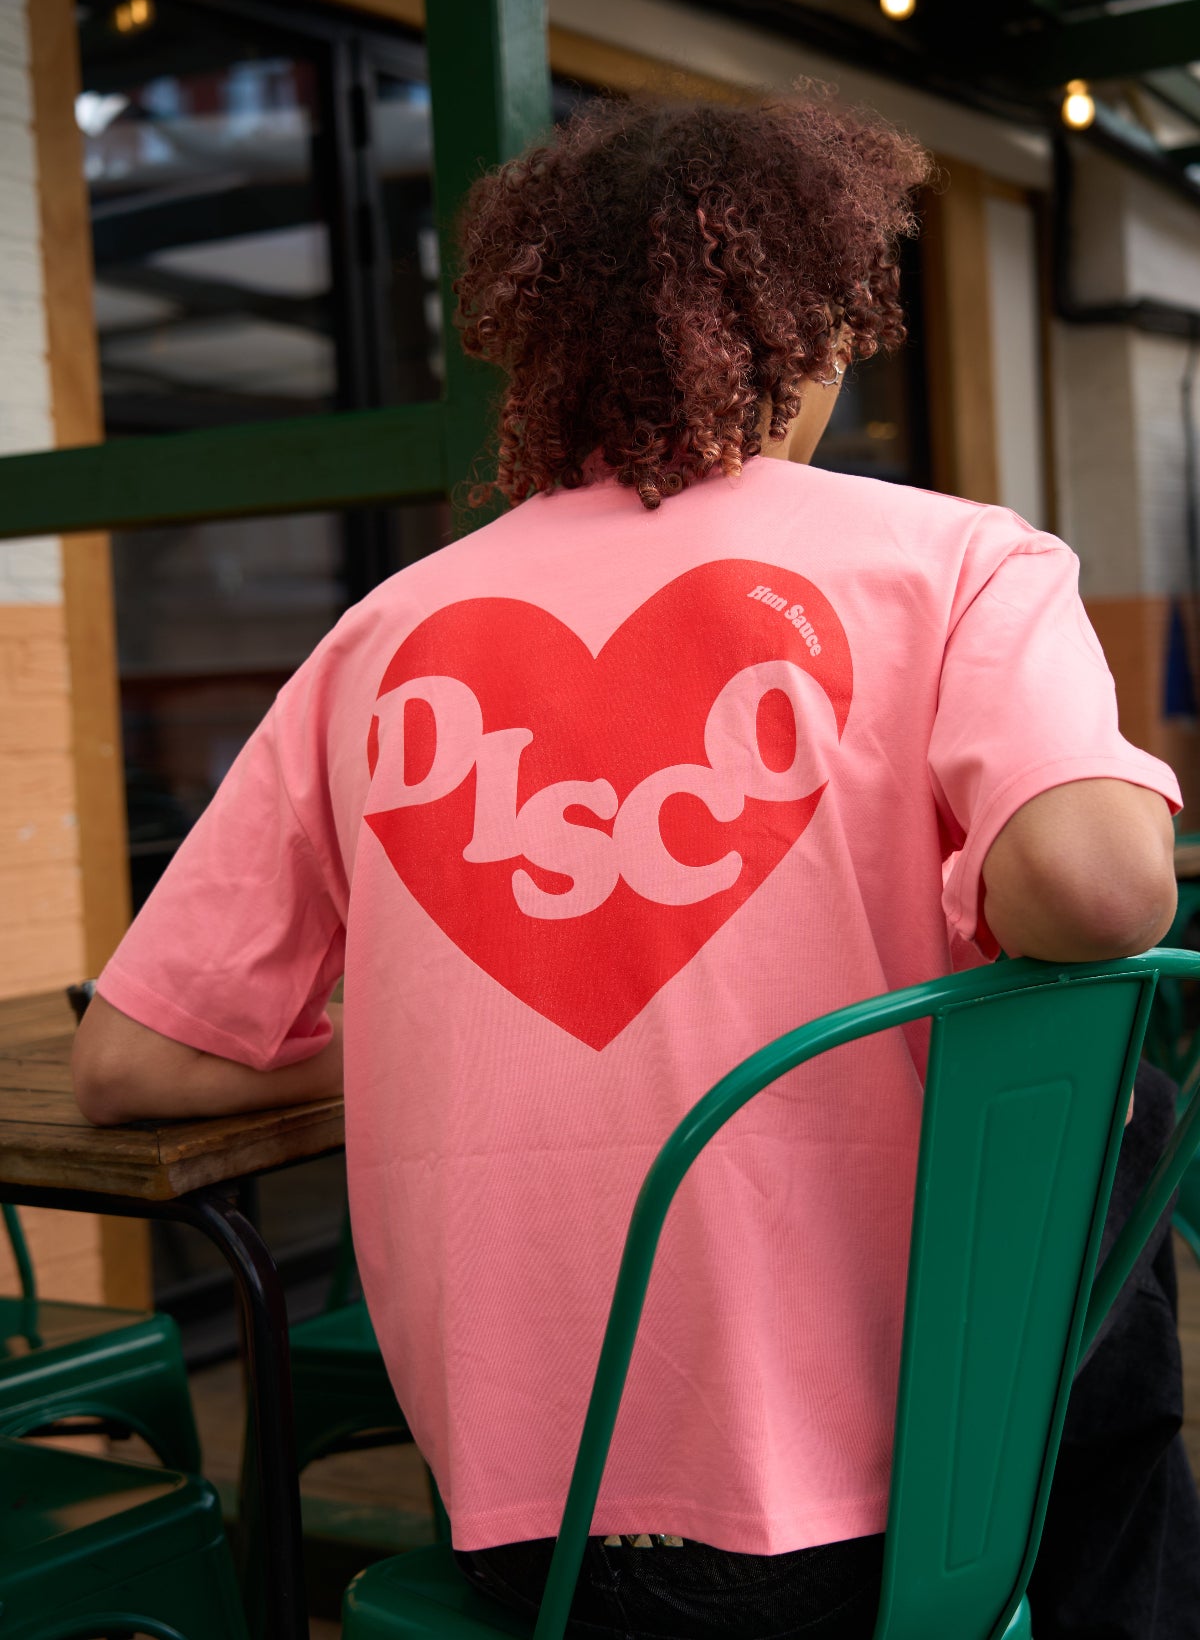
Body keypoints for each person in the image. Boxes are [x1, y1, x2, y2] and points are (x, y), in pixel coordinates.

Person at [74, 94, 1191, 1640]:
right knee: (1112, 1098)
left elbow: (127, 1060)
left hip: (532, 1529)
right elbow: (1103, 891)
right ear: (818, 332)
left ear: (553, 348)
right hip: (890, 1521)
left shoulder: (382, 632)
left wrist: (415, 1056)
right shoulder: (956, 560)